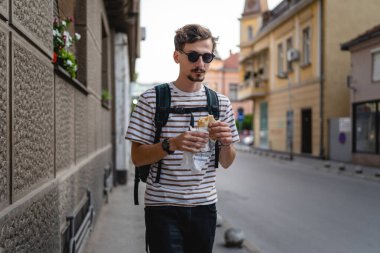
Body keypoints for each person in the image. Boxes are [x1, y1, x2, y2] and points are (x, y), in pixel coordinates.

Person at [125, 24, 239, 253]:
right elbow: (137, 158)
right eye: (193, 55)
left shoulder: (221, 104)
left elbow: (226, 162)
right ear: (177, 56)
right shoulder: (151, 100)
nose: (200, 63)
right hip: (162, 206)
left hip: (205, 206)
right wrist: (172, 144)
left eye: (207, 56)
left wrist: (225, 142)